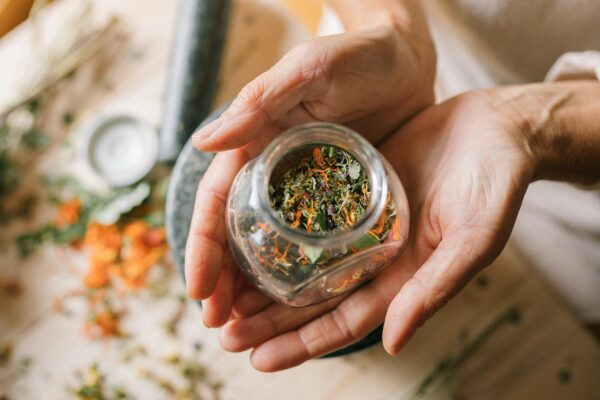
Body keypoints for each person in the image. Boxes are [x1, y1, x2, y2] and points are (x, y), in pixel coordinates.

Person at [184, 0, 600, 371]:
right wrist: (392, 27)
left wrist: (530, 126)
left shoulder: (386, 206)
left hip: (578, 161)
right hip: (368, 93)